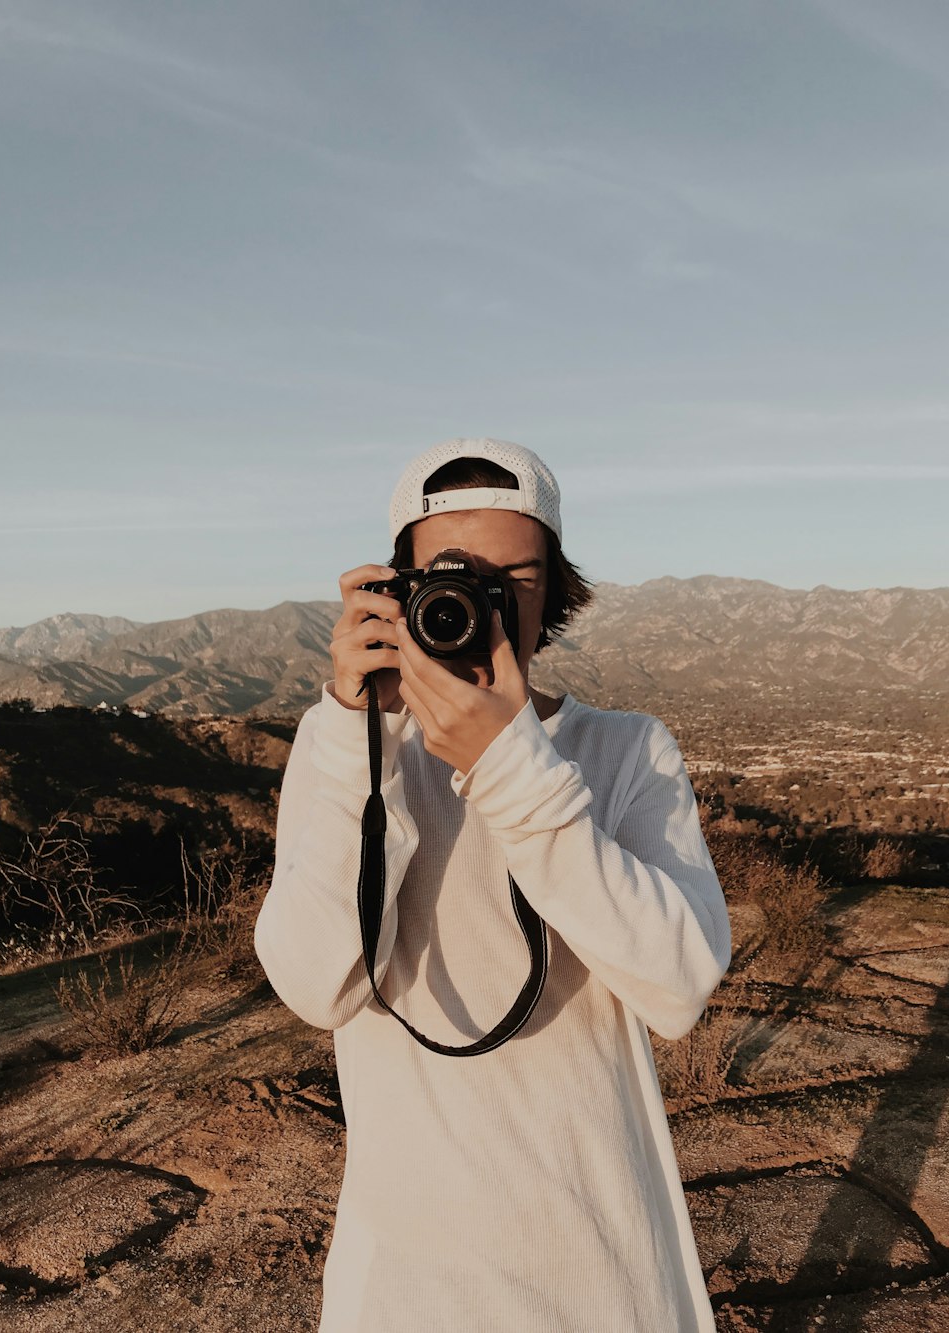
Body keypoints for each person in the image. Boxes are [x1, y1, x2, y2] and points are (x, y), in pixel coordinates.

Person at [254, 438, 732, 1332]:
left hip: (601, 1271)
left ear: (555, 590)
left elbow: (681, 982)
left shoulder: (624, 750)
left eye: (517, 575)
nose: (487, 602)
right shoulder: (347, 748)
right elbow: (319, 981)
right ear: (393, 588)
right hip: (402, 1283)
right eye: (453, 575)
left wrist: (511, 765)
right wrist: (356, 734)